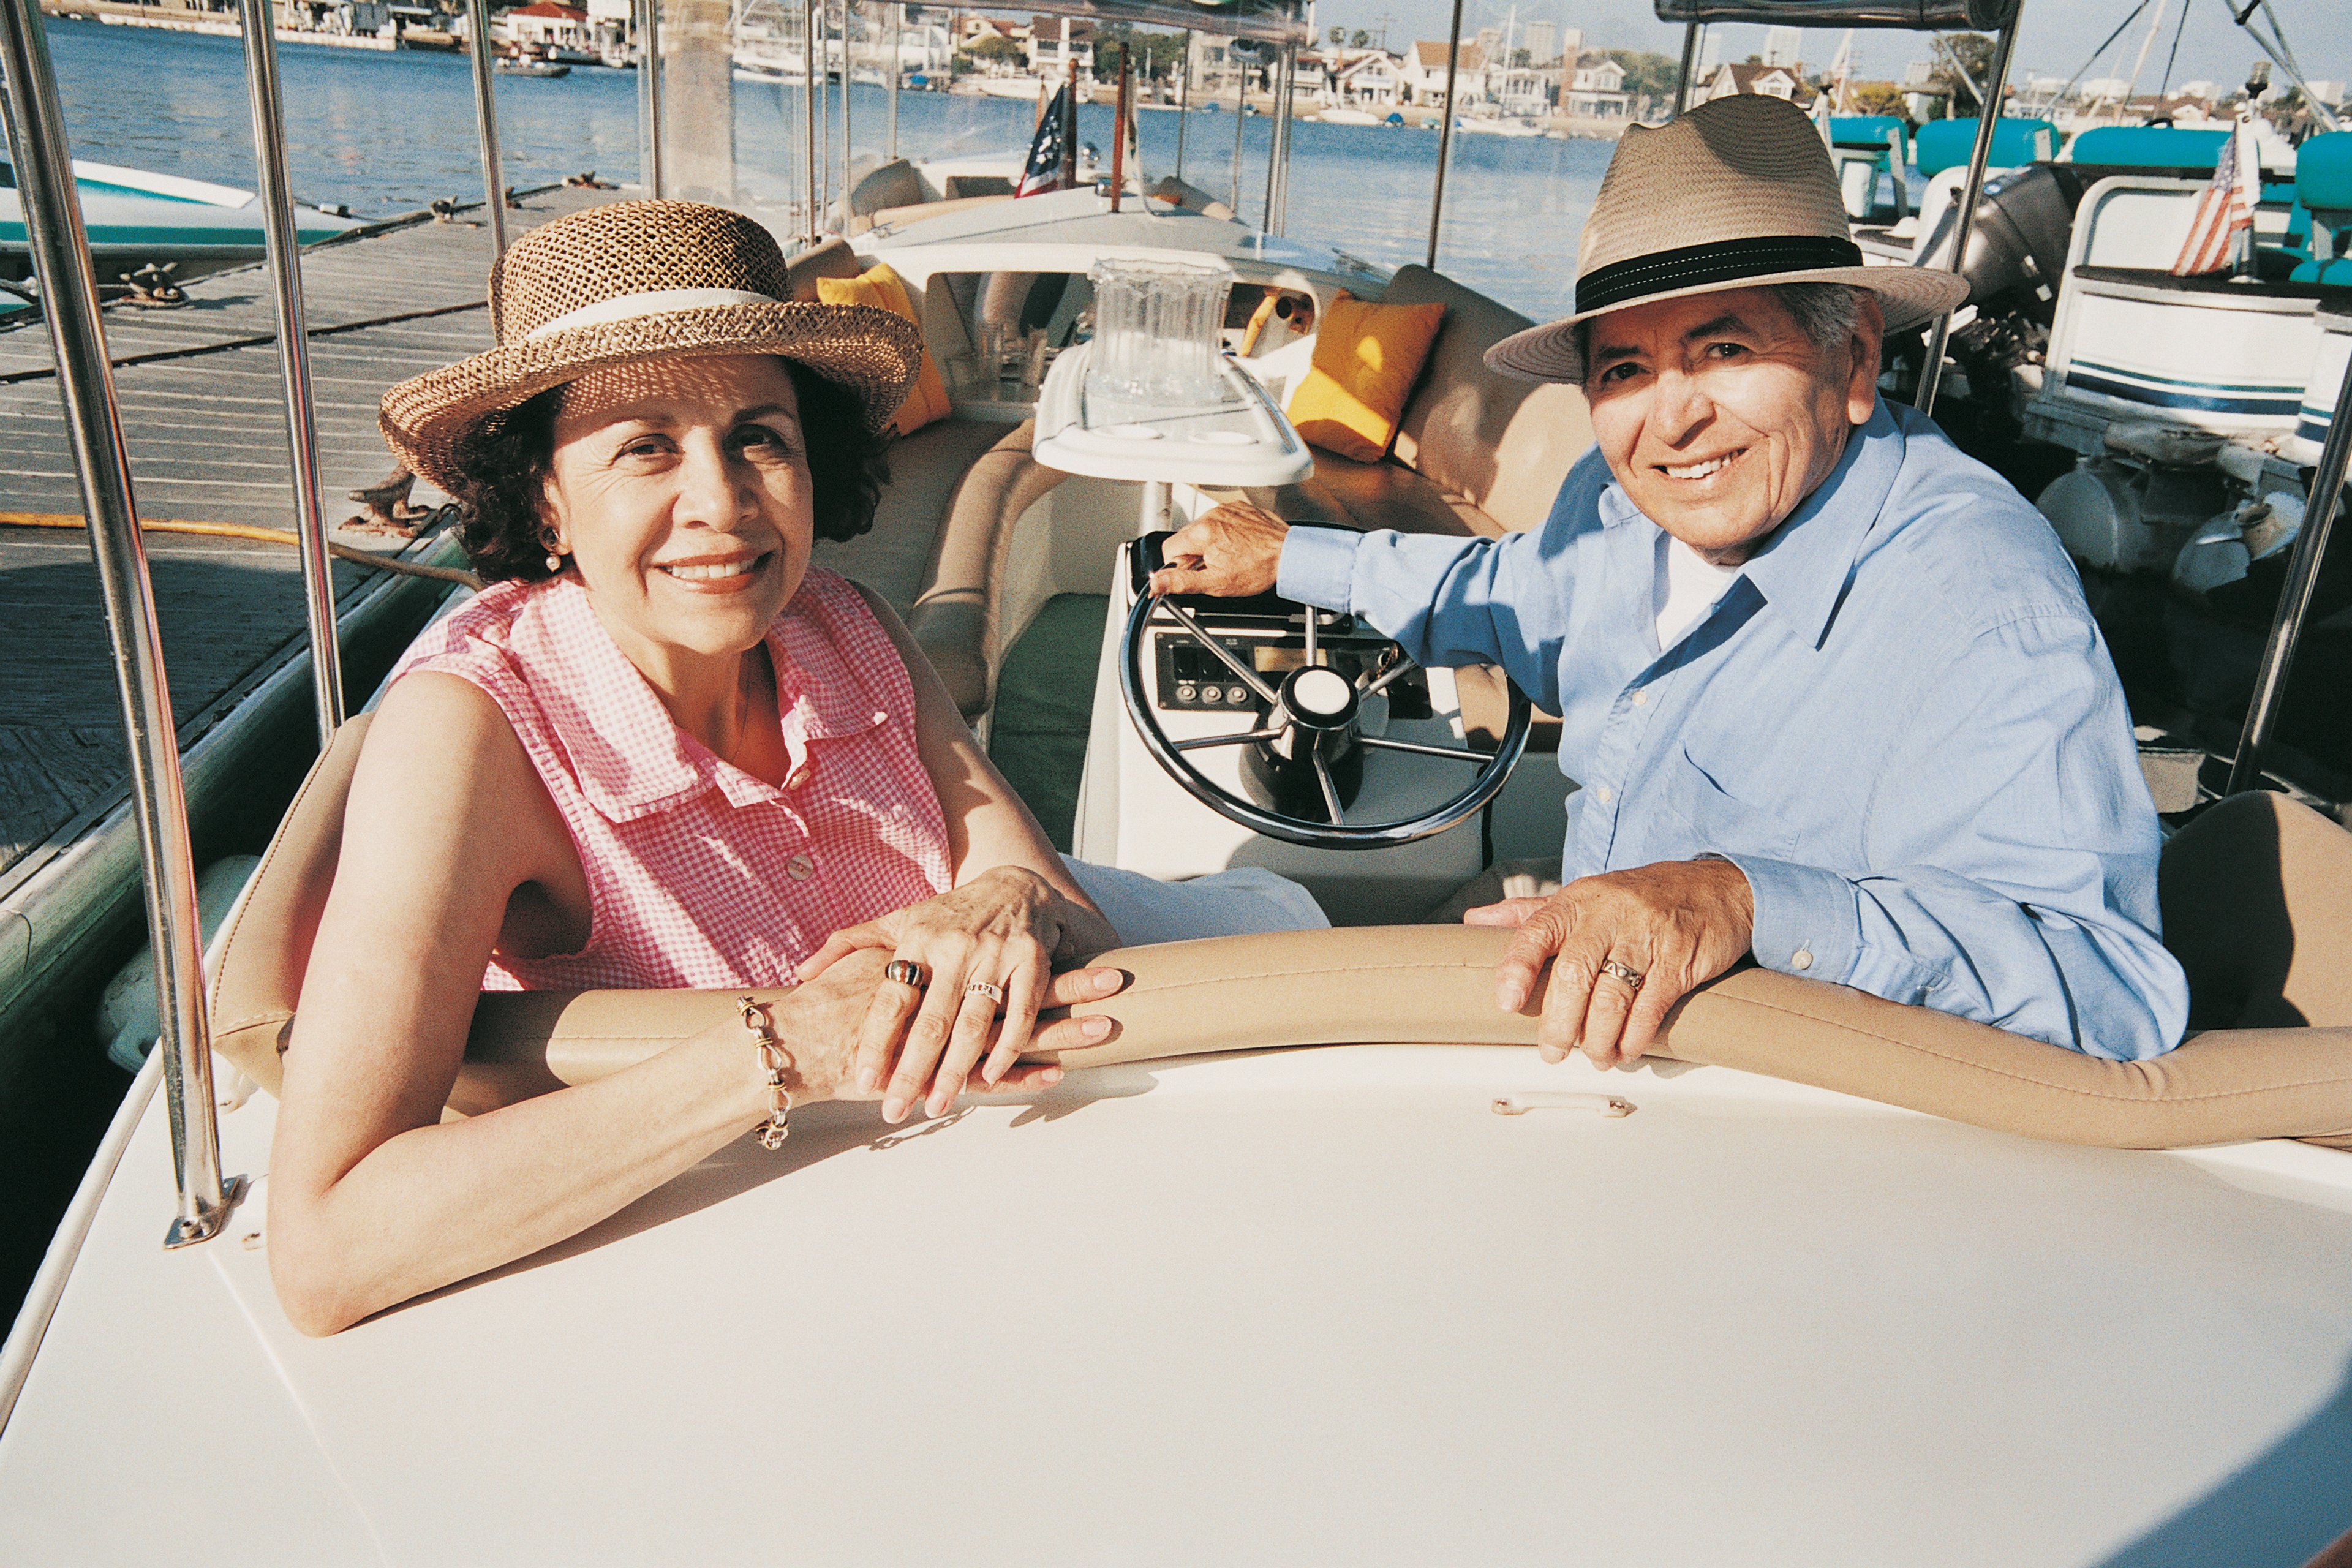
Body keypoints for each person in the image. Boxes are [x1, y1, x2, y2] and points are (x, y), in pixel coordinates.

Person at [270, 201, 1314, 1336]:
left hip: (971, 1187)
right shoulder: (473, 733)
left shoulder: (845, 624)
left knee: (1294, 914)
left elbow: (1056, 905)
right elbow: (326, 1251)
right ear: (543, 501)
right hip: (739, 1253)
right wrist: (788, 1045)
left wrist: (1008, 893)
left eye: (760, 436)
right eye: (646, 447)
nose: (721, 505)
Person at [1152, 94, 2192, 1071]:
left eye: (1725, 347)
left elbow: (2109, 989)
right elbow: (1511, 590)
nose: (1672, 419)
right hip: (1581, 994)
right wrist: (1292, 556)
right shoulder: (1615, 506)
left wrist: (1743, 903)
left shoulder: (1980, 605)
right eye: (1624, 371)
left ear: (1858, 358)